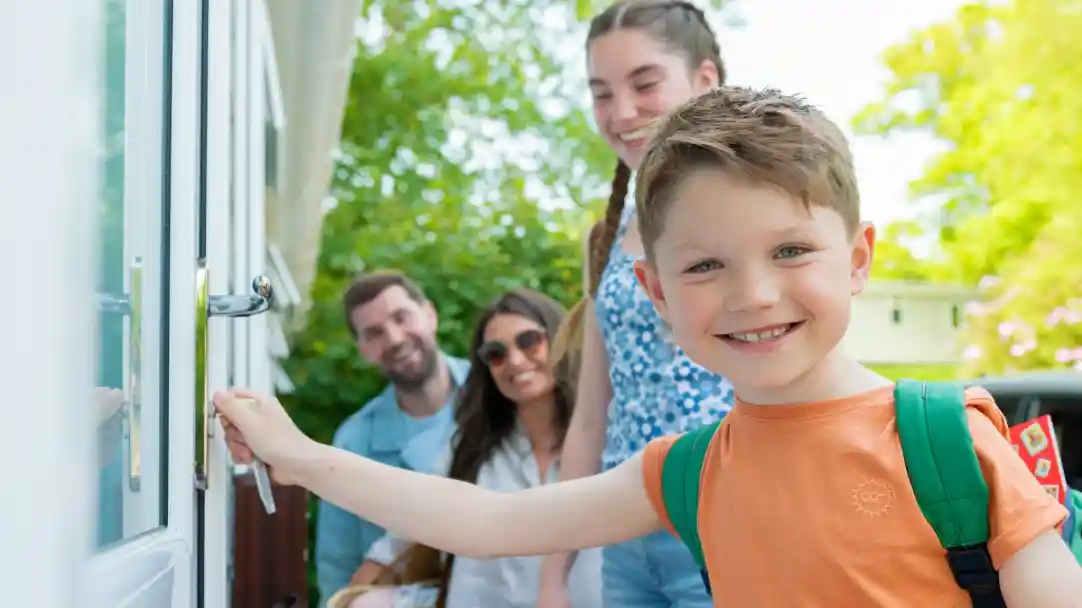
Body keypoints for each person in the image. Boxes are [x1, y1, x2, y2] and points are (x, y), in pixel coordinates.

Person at [214, 85, 1082, 606]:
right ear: (658, 294)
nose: (753, 294)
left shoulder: (946, 440)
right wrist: (300, 457)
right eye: (705, 264)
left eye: (790, 250)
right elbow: (489, 523)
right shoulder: (688, 471)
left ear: (857, 259)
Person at [544, 2, 733, 606]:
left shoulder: (749, 207)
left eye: (645, 83)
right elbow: (592, 414)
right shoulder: (604, 238)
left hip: (729, 527)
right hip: (625, 537)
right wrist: (554, 572)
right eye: (601, 93)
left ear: (704, 81)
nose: (621, 112)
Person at [345, 289, 602, 608]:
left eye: (528, 341)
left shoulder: (607, 442)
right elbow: (407, 527)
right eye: (496, 353)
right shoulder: (471, 450)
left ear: (559, 338)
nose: (515, 361)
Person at [316, 270, 470, 602]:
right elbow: (338, 573)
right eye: (374, 333)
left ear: (430, 315)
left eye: (402, 317)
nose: (395, 339)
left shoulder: (496, 397)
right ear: (363, 349)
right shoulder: (353, 444)